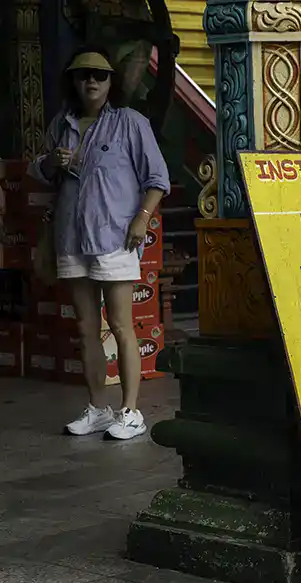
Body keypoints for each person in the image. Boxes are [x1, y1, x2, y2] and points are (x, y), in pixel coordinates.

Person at [28, 47, 170, 440]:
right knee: (87, 327)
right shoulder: (63, 123)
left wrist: (142, 218)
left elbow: (157, 178)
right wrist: (51, 164)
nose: (92, 81)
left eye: (100, 75)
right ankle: (98, 408)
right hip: (72, 237)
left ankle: (130, 411)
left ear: (112, 82)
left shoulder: (130, 123)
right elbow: (40, 171)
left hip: (116, 238)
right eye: (83, 74)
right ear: (73, 81)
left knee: (122, 326)